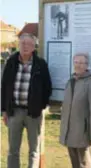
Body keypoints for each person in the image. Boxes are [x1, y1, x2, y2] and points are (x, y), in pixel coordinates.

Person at [1, 33, 52, 168]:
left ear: (33, 47)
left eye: (28, 44)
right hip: (14, 111)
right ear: (19, 45)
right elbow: (4, 87)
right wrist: (4, 110)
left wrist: (41, 106)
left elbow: (47, 87)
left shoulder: (40, 64)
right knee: (13, 150)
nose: (25, 46)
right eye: (22, 43)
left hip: (33, 113)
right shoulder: (11, 62)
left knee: (34, 150)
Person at [60, 53, 91, 168]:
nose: (78, 65)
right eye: (76, 62)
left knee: (85, 164)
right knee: (74, 164)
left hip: (83, 133)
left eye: (81, 63)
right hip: (69, 131)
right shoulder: (70, 81)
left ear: (87, 65)